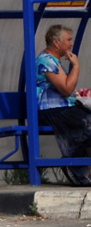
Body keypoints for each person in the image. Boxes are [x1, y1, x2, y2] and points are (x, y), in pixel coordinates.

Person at [36, 24, 91, 186]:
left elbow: (65, 91)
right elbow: (66, 89)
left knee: (85, 122)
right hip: (52, 111)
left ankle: (80, 168)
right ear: (56, 42)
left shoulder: (53, 61)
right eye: (68, 40)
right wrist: (76, 66)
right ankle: (76, 166)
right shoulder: (45, 60)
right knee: (86, 123)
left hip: (61, 108)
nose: (71, 43)